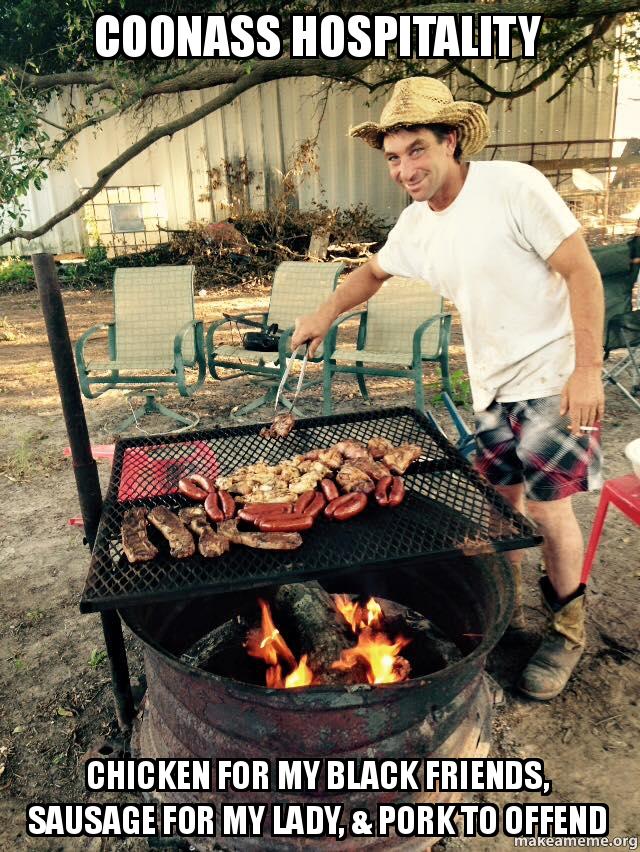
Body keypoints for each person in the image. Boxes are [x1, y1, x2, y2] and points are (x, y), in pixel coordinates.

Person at [292, 77, 605, 701]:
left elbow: (581, 270)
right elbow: (371, 274)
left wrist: (589, 371)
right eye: (393, 157)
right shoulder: (416, 225)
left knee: (548, 510)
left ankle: (567, 632)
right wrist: (323, 315)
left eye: (416, 150)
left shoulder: (513, 187)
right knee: (499, 505)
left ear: (450, 140)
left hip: (552, 374)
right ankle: (506, 614)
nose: (405, 168)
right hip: (491, 384)